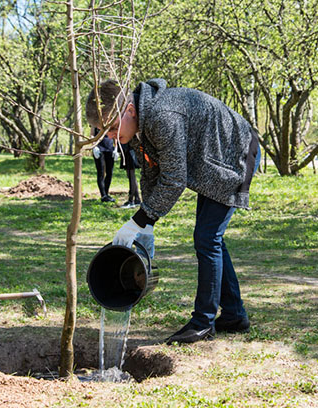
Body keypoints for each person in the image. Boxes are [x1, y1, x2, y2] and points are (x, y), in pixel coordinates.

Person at [85, 79, 261, 345]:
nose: (109, 136)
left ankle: (203, 323)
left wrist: (141, 220)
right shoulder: (139, 124)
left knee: (207, 237)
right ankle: (235, 314)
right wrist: (147, 224)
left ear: (130, 110)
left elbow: (174, 178)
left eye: (111, 127)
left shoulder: (161, 115)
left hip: (233, 152)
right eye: (103, 132)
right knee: (210, 237)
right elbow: (151, 171)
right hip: (212, 159)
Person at [92, 127, 118, 202]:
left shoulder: (110, 121)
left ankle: (106, 194)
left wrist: (116, 148)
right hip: (99, 149)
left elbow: (114, 134)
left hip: (109, 148)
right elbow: (92, 135)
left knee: (109, 172)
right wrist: (94, 146)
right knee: (101, 172)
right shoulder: (95, 121)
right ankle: (103, 195)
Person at [118, 142, 141, 209]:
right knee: (130, 175)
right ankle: (137, 199)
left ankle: (131, 200)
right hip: (126, 150)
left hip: (129, 150)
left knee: (131, 176)